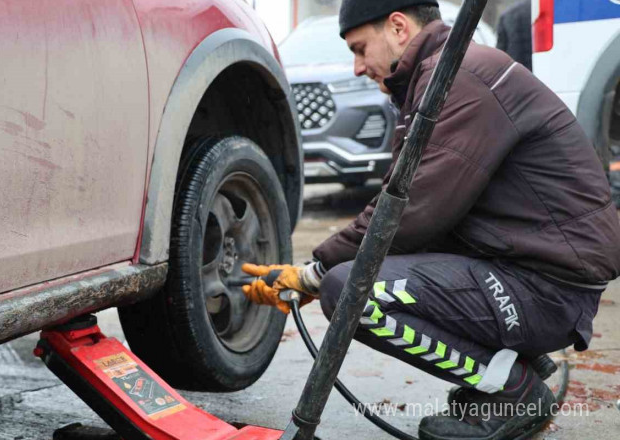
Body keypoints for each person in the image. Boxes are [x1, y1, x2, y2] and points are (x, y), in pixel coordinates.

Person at [241, 1, 620, 439]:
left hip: (548, 289)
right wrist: (309, 273)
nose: (358, 67)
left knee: (352, 291)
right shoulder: (439, 77)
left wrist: (313, 274)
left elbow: (409, 212)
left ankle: (513, 390)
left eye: (360, 49)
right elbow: (404, 208)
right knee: (350, 278)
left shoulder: (460, 78)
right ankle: (506, 371)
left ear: (398, 27)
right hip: (530, 272)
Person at [496, 0, 532, 70]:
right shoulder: (544, 10)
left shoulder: (507, 14)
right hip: (539, 68)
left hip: (514, 70)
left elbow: (500, 52)